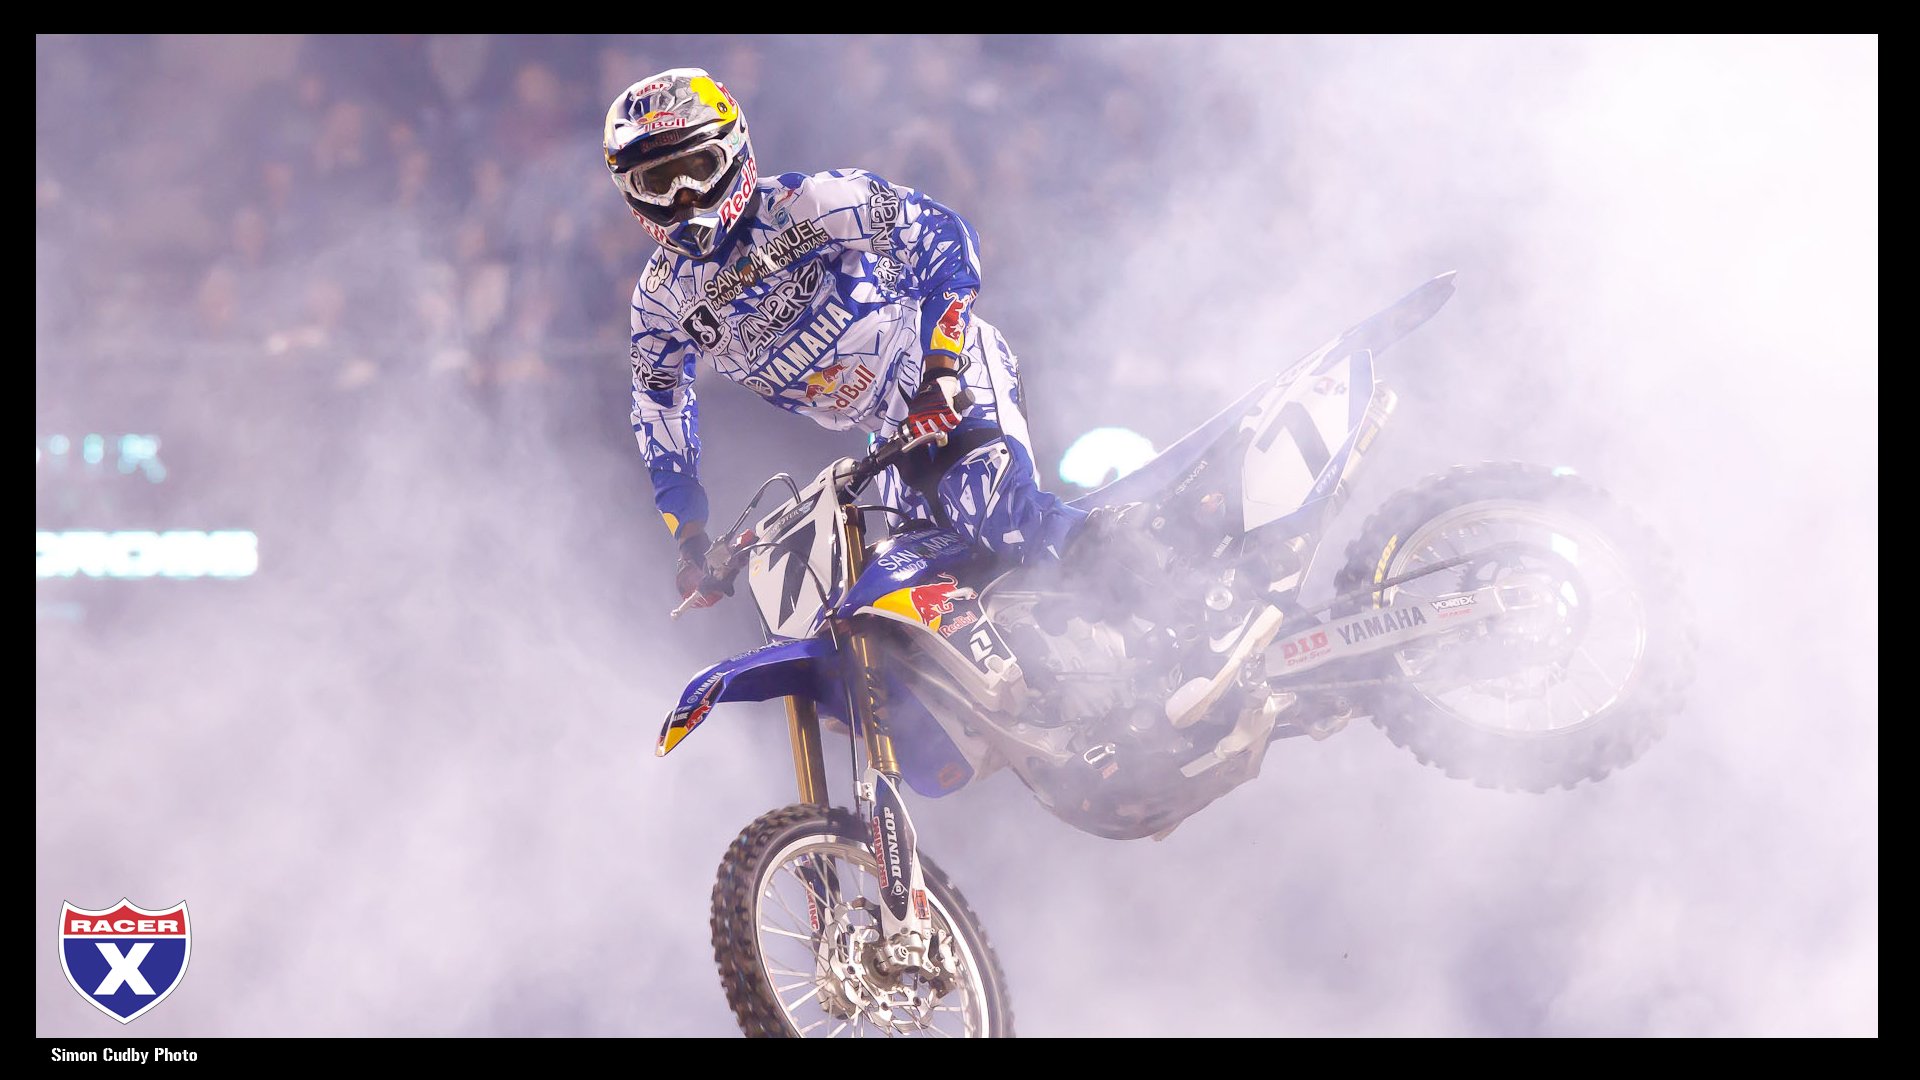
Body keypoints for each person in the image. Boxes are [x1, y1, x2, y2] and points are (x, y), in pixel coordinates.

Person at [607, 67, 1123, 610]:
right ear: (632, 194)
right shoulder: (659, 302)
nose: (684, 196)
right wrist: (690, 540)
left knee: (997, 513)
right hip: (886, 431)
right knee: (928, 593)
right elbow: (657, 406)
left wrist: (942, 369)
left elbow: (943, 234)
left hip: (948, 371)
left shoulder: (813, 202)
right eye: (658, 182)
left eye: (695, 168)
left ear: (733, 150)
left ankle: (1148, 562)